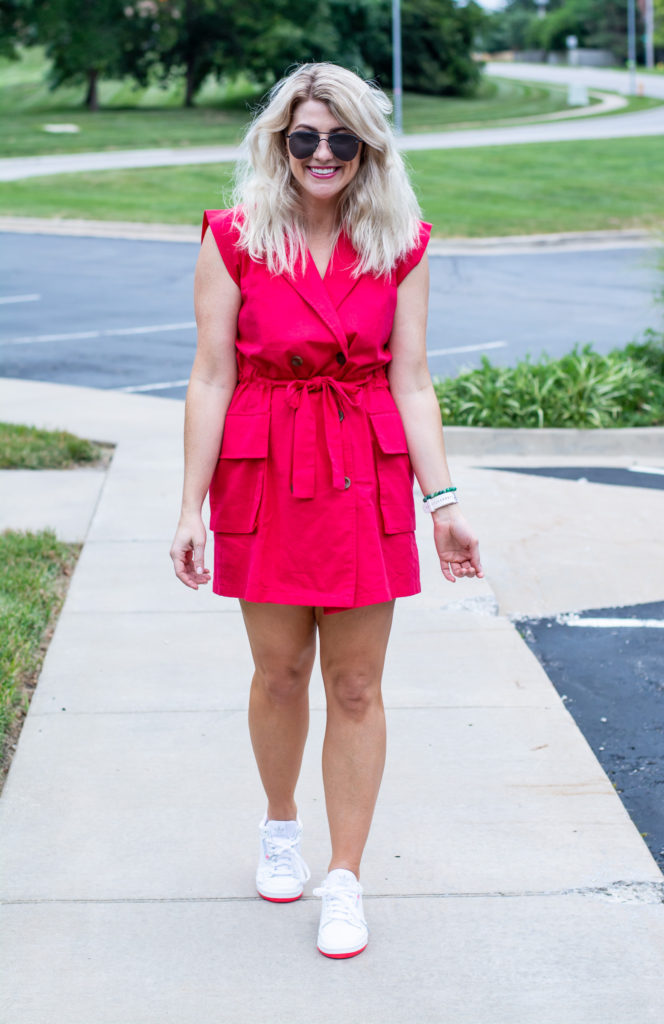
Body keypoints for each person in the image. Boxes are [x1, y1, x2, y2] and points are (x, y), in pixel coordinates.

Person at [170, 61, 483, 960]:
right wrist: (189, 508)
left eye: (341, 138)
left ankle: (344, 878)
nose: (321, 153)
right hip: (265, 470)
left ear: (366, 148)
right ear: (280, 143)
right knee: (279, 674)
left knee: (355, 684)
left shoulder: (401, 244)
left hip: (363, 471)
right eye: (305, 136)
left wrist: (444, 502)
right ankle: (280, 827)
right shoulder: (232, 239)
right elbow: (211, 375)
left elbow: (412, 379)